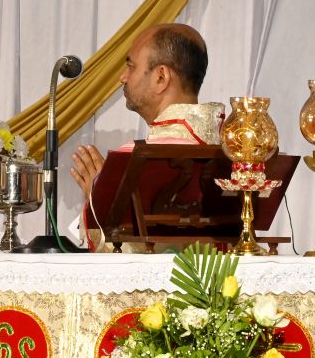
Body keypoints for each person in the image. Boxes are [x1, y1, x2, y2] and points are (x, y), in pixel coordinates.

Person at [68, 23, 224, 249]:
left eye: (131, 67)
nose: (123, 77)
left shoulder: (132, 160)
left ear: (161, 77)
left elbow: (124, 259)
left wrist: (100, 201)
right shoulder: (234, 149)